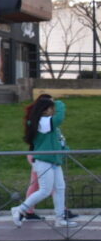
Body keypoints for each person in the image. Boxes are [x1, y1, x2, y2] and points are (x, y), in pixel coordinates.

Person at [11, 95, 77, 228]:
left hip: (53, 160)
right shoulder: (42, 122)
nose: (54, 110)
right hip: (44, 161)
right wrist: (58, 102)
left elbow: (57, 139)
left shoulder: (45, 122)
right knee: (45, 190)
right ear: (45, 110)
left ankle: (59, 219)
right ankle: (20, 209)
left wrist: (64, 149)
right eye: (52, 108)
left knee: (59, 188)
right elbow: (59, 118)